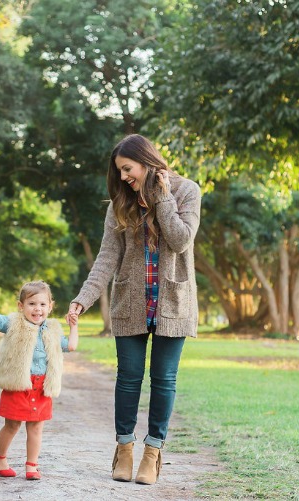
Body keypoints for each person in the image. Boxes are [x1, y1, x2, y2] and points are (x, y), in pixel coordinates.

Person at [67, 134, 201, 486]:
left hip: (174, 302)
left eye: (128, 169)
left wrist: (162, 197)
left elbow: (181, 238)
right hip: (130, 301)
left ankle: (153, 451)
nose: (124, 177)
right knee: (128, 378)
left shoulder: (187, 191)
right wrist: (84, 298)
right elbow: (107, 258)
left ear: (146, 161)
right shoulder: (119, 205)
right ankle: (124, 448)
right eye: (120, 172)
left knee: (164, 379)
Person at [0, 281, 78, 480]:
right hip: (18, 384)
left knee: (36, 427)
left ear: (50, 306)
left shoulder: (53, 330)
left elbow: (70, 346)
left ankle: (32, 466)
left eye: (42, 304)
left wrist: (73, 327)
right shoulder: (14, 324)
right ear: (21, 306)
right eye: (32, 304)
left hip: (42, 387)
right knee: (12, 425)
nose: (37, 309)